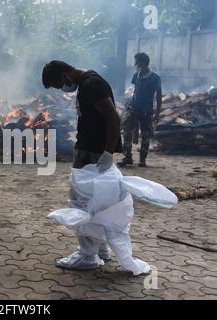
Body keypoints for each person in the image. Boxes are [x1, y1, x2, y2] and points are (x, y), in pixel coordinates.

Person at [42, 60, 123, 270]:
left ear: (65, 76)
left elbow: (113, 117)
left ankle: (87, 255)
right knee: (98, 201)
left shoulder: (91, 85)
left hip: (92, 151)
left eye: (59, 85)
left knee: (82, 203)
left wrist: (108, 152)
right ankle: (102, 249)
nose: (62, 89)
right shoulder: (89, 81)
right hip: (90, 148)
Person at [118, 52, 162, 168]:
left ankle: (142, 159)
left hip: (146, 111)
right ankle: (127, 157)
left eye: (137, 61)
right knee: (126, 130)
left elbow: (159, 96)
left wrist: (157, 114)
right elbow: (136, 90)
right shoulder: (136, 75)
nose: (135, 64)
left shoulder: (155, 78)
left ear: (143, 62)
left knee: (145, 135)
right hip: (133, 108)